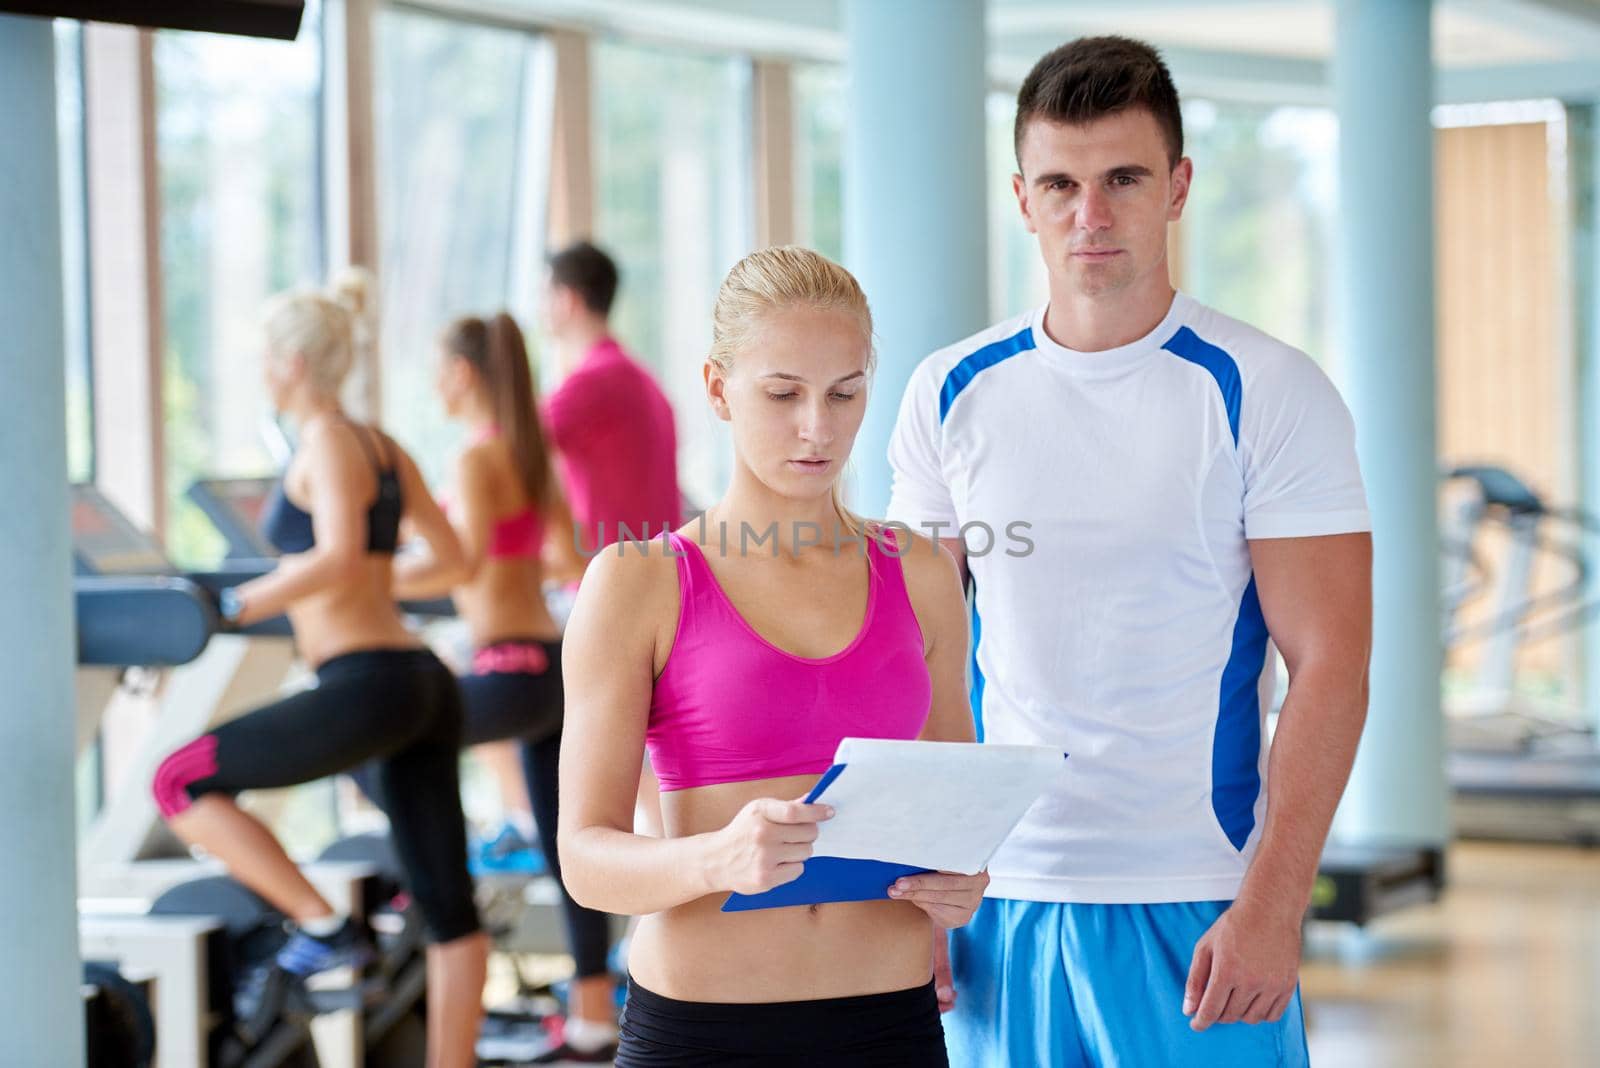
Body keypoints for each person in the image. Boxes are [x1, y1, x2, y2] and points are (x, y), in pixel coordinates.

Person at [886, 35, 1373, 1067]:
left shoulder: (1268, 390)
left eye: (1121, 180)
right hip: (999, 901)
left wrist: (1275, 903)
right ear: (1021, 197)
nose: (1089, 216)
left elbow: (1329, 663)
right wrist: (926, 885)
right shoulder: (947, 392)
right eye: (1059, 184)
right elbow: (917, 659)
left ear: (1178, 186)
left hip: (1199, 897)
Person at [557, 246, 988, 1066]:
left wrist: (961, 885)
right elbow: (585, 858)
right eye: (783, 393)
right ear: (718, 388)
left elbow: (953, 812)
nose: (817, 429)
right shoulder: (637, 581)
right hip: (702, 1032)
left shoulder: (922, 573)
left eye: (845, 393)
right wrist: (713, 857)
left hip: (887, 1025)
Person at [151, 285, 488, 1068]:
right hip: (417, 681)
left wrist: (235, 603)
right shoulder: (380, 443)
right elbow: (454, 560)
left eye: (267, 358)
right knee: (451, 912)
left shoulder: (329, 443)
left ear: (294, 363)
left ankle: (324, 926)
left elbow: (335, 554)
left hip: (371, 683)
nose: (262, 372)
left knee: (177, 782)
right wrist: (372, 581)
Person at [412, 311, 619, 1062]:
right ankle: (594, 1018)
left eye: (438, 368)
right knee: (573, 848)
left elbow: (459, 566)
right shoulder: (530, 455)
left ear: (462, 374)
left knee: (389, 750)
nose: (434, 383)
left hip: (505, 665)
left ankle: (439, 866)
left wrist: (380, 576)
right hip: (549, 664)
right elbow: (566, 556)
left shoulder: (474, 458)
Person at [539, 240, 681, 838]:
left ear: (567, 300)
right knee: (649, 775)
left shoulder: (594, 381)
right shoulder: (638, 379)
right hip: (652, 582)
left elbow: (509, 457)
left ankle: (528, 829)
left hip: (610, 590)